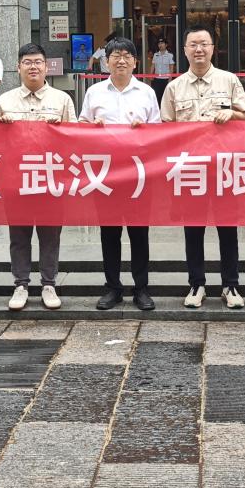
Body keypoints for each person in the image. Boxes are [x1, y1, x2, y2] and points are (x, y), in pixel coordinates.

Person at [160, 27, 245, 309]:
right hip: (190, 168)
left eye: (204, 44)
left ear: (213, 48)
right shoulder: (174, 87)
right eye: (193, 45)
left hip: (225, 167)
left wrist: (232, 113)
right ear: (185, 50)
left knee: (228, 229)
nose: (199, 49)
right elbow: (165, 128)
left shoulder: (229, 80)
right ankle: (196, 284)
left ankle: (230, 285)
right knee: (193, 230)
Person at [79, 36, 160, 312]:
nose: (121, 61)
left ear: (135, 62)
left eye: (127, 56)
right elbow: (81, 125)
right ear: (107, 61)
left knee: (139, 233)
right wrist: (93, 126)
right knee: (109, 233)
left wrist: (144, 129)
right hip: (106, 174)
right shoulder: (94, 92)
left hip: (138, 175)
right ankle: (112, 287)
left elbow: (158, 131)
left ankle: (141, 288)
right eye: (116, 56)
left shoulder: (146, 92)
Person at [0, 42, 77, 311]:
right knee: (19, 235)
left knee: (50, 234)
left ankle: (48, 284)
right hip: (16, 179)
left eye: (38, 62)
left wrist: (61, 130)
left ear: (46, 66)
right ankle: (20, 284)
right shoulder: (4, 101)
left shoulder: (62, 100)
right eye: (27, 62)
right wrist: (1, 129)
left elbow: (76, 140)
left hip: (51, 178)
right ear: (18, 67)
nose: (33, 67)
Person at [150, 37, 175, 102]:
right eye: (159, 44)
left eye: (162, 43)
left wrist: (170, 79)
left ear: (166, 45)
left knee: (166, 97)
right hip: (157, 79)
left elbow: (171, 67)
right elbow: (153, 65)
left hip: (166, 79)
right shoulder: (155, 55)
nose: (160, 45)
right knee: (157, 96)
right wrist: (151, 75)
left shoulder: (170, 55)